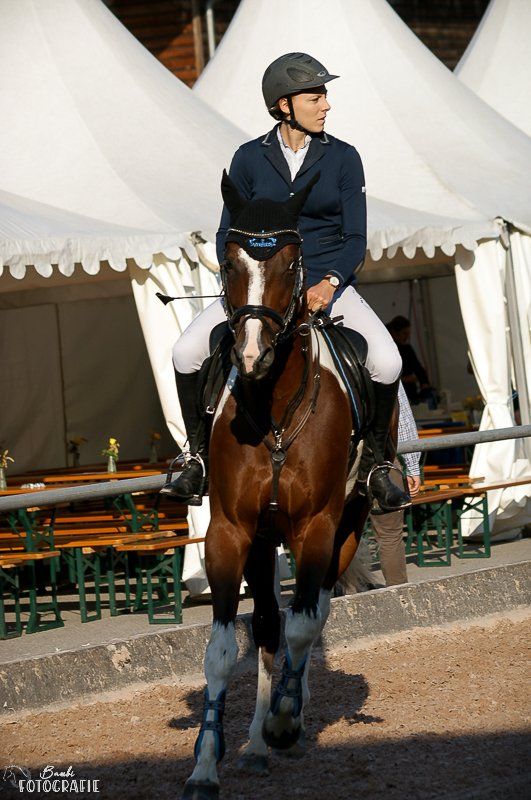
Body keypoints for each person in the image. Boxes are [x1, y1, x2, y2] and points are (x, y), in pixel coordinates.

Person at [162, 52, 410, 513]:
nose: (326, 105)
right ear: (284, 105)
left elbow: (356, 238)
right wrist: (244, 286)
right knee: (185, 352)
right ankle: (196, 458)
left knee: (386, 360)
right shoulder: (248, 158)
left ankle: (378, 466)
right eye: (315, 97)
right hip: (263, 290)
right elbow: (226, 234)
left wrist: (330, 283)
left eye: (324, 96)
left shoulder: (343, 158)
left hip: (326, 286)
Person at [370, 383, 421, 586]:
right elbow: (403, 420)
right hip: (381, 457)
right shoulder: (384, 364)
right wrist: (412, 465)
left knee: (340, 534)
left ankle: (344, 594)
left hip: (338, 460)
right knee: (390, 535)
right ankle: (398, 593)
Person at [387, 315, 432, 403]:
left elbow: (418, 368)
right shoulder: (386, 350)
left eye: (408, 334)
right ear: (394, 332)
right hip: (395, 397)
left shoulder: (407, 348)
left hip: (411, 394)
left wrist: (424, 383)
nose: (407, 337)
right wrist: (404, 379)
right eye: (404, 333)